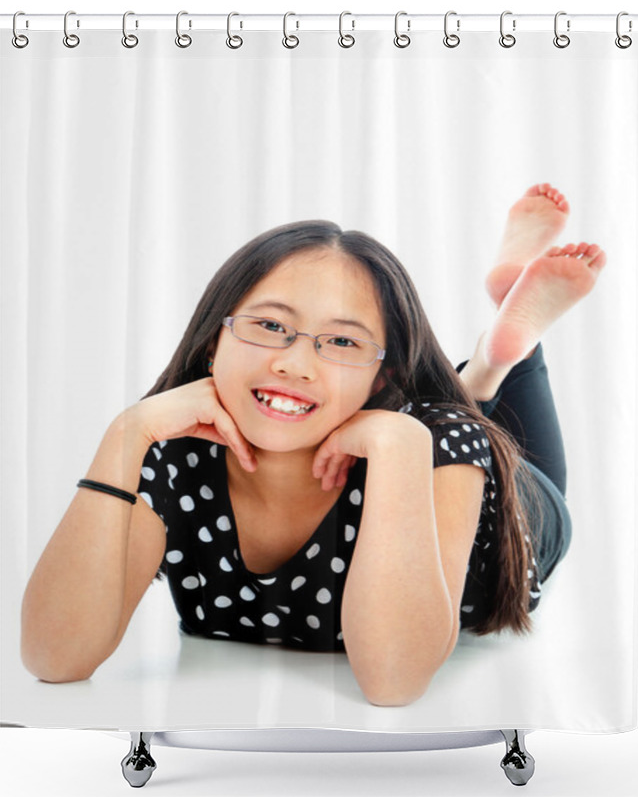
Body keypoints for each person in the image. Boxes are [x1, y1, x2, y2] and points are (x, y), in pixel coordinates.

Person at [20, 183, 606, 706]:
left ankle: (506, 356)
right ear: (211, 342)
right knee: (458, 417)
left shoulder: (438, 446)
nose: (294, 364)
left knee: (476, 435)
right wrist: (126, 434)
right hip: (413, 420)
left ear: (383, 379)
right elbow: (54, 659)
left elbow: (394, 682)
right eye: (270, 326)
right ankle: (481, 371)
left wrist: (403, 444)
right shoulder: (174, 449)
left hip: (513, 511)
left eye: (342, 342)